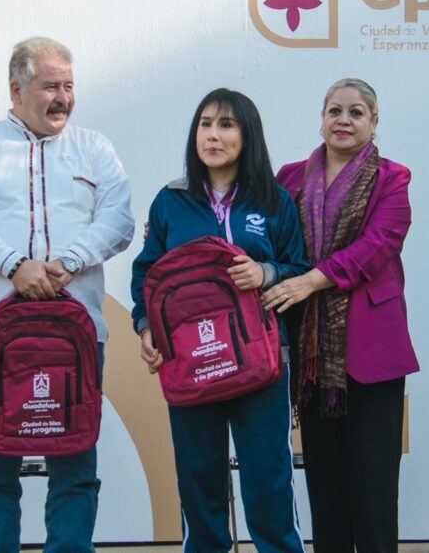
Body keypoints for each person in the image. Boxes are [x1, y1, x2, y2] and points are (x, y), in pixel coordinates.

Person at [0, 37, 133, 553]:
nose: (63, 97)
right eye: (51, 86)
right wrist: (12, 266)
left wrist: (68, 262)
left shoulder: (95, 148)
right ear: (17, 88)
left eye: (69, 86)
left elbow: (119, 221)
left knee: (74, 466)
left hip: (76, 335)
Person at [131, 88, 308, 553]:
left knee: (268, 480)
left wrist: (265, 272)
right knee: (198, 476)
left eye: (226, 125)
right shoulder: (170, 201)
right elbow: (147, 274)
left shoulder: (274, 201)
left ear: (247, 136)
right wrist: (146, 326)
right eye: (205, 124)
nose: (213, 135)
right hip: (192, 363)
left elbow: (300, 268)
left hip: (262, 364)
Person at [262, 78, 418, 553]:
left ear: (374, 122)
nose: (344, 120)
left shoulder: (393, 178)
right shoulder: (289, 177)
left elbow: (378, 246)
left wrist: (312, 280)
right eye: (335, 111)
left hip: (374, 350)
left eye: (356, 112)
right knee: (324, 485)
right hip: (312, 354)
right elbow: (257, 232)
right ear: (322, 118)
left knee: (373, 485)